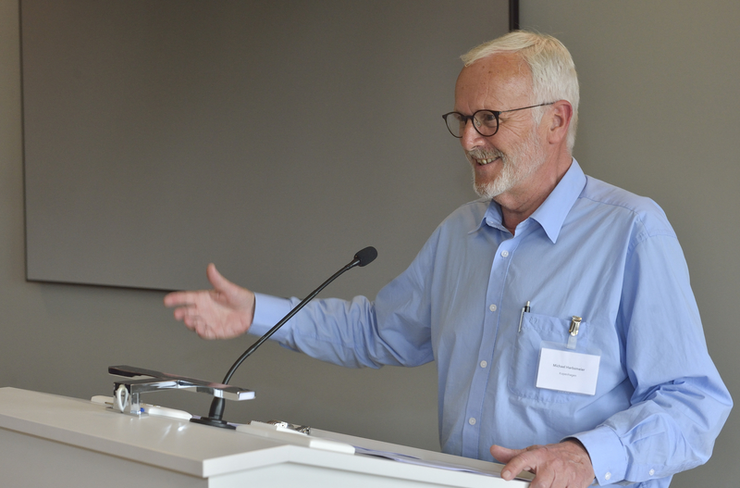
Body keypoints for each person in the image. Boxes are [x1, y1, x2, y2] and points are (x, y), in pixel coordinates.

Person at [164, 31, 731, 488]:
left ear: (556, 121)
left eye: (489, 119)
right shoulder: (458, 235)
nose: (468, 140)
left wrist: (584, 456)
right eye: (462, 120)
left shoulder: (632, 231)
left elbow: (693, 403)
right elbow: (377, 332)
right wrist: (256, 313)